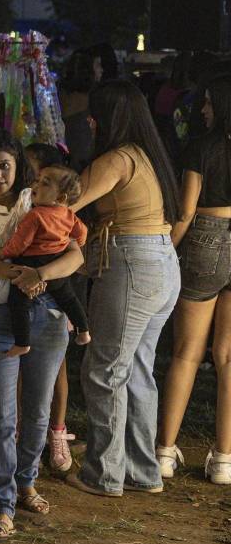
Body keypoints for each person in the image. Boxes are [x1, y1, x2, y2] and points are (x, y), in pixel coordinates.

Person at [0, 128, 81, 538]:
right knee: (2, 417)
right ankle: (2, 502)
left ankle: (26, 483)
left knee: (38, 411)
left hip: (47, 312)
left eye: (4, 166)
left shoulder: (39, 199)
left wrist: (40, 273)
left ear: (18, 166)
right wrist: (17, 273)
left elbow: (77, 251)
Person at [67, 79, 181, 497]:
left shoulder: (116, 159)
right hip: (163, 261)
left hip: (133, 264)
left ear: (102, 118)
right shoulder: (149, 154)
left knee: (105, 370)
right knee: (136, 369)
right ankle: (141, 471)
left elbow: (65, 204)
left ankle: (104, 474)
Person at [157, 77, 231, 485]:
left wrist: (165, 253)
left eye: (207, 102)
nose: (202, 109)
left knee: (187, 351)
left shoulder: (201, 146)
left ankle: (165, 452)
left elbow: (185, 212)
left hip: (205, 238)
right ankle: (224, 459)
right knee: (228, 356)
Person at [24, 143, 83, 472]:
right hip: (23, 295)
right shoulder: (27, 205)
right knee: (21, 363)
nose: (34, 182)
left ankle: (56, 430)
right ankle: (23, 431)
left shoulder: (63, 214)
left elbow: (76, 249)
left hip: (55, 294)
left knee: (56, 368)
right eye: (32, 176)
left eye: (40, 177)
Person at [0, 165, 90, 354]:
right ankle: (84, 331)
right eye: (38, 180)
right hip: (57, 264)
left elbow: (19, 243)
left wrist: (4, 253)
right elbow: (82, 233)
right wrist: (73, 241)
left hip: (34, 263)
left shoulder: (35, 215)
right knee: (69, 298)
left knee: (18, 302)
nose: (36, 185)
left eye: (45, 183)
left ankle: (22, 343)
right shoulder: (69, 215)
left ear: (60, 198)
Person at [58, 50, 101, 170]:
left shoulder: (61, 92)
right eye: (97, 65)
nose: (101, 69)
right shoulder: (93, 97)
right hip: (81, 150)